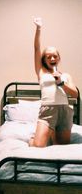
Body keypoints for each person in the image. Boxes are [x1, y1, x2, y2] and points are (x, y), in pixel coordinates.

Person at [29, 17, 78, 147]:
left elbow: (75, 94)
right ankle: (33, 139)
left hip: (64, 110)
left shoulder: (66, 76)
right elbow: (36, 48)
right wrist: (38, 29)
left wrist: (61, 82)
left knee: (61, 146)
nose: (52, 58)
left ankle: (52, 136)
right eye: (48, 56)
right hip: (48, 110)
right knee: (38, 146)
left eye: (54, 56)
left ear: (58, 58)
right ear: (44, 59)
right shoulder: (41, 73)